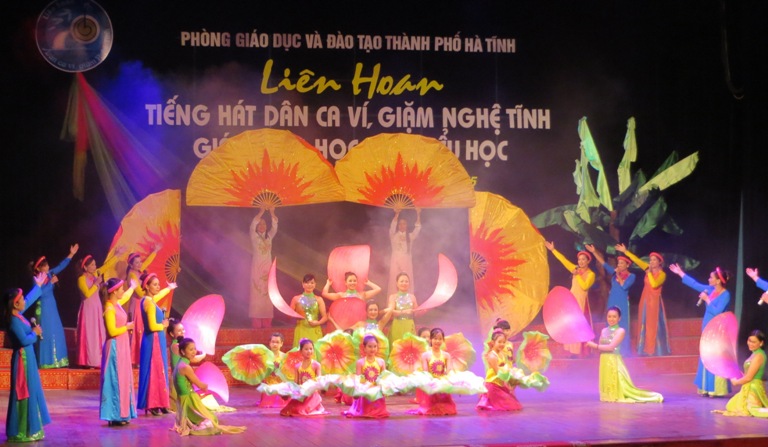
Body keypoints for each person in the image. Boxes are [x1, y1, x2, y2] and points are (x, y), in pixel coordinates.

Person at [668, 263, 732, 397]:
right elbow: (695, 284)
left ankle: (716, 389)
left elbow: (718, 311)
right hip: (707, 325)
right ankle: (706, 388)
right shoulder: (710, 289)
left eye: (711, 277)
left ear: (718, 281)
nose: (709, 279)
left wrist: (707, 299)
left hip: (717, 328)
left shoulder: (726, 294)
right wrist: (680, 273)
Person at [3, 275, 48, 442]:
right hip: (23, 360)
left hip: (29, 357)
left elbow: (29, 300)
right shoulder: (13, 321)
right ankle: (22, 431)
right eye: (21, 299)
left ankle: (32, 428)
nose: (24, 301)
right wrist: (34, 333)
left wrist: (38, 286)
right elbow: (23, 340)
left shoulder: (18, 315)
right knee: (24, 392)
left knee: (32, 389)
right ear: (15, 304)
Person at [586, 307, 663, 403]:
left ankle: (652, 396)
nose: (611, 319)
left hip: (613, 361)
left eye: (614, 317)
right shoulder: (603, 330)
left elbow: (611, 347)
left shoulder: (620, 331)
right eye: (609, 316)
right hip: (604, 360)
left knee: (621, 385)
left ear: (619, 318)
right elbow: (602, 347)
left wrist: (594, 346)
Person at [172, 338, 246, 435]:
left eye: (195, 349)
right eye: (191, 349)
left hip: (182, 399)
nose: (194, 352)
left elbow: (195, 361)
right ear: (182, 351)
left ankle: (193, 421)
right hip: (188, 400)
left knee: (210, 417)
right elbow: (200, 385)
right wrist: (207, 385)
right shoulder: (186, 367)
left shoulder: (180, 363)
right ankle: (196, 425)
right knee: (212, 420)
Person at [615, 244, 670, 356]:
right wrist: (625, 251)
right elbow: (636, 260)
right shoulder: (647, 268)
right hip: (645, 299)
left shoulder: (662, 274)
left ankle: (655, 350)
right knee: (644, 322)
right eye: (650, 260)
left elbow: (654, 284)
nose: (651, 262)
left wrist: (649, 273)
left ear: (659, 262)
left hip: (654, 302)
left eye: (654, 260)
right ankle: (644, 349)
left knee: (653, 325)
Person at [31, 243, 78, 369]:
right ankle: (46, 361)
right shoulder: (36, 280)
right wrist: (50, 283)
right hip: (43, 308)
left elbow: (61, 266)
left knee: (56, 330)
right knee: (46, 332)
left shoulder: (49, 274)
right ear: (38, 268)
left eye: (47, 265)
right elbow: (39, 294)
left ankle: (58, 360)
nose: (47, 267)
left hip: (52, 307)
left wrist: (71, 254)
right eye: (44, 266)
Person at [544, 241, 595, 356]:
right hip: (571, 300)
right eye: (579, 259)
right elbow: (563, 260)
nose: (581, 261)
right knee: (571, 325)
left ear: (588, 261)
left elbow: (585, 286)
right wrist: (553, 250)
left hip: (581, 301)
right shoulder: (575, 269)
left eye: (583, 259)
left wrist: (577, 275)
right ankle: (573, 351)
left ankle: (581, 350)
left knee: (579, 325)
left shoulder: (591, 274)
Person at [137, 272, 177, 415]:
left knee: (161, 370)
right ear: (147, 287)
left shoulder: (149, 300)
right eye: (155, 285)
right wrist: (164, 325)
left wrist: (169, 288)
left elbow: (159, 295)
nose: (158, 287)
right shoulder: (149, 303)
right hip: (152, 340)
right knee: (154, 371)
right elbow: (152, 326)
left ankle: (162, 403)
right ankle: (153, 404)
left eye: (158, 284)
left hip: (156, 339)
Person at [99, 278, 137, 426]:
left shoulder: (117, 304)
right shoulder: (109, 308)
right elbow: (112, 331)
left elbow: (126, 296)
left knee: (123, 378)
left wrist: (133, 287)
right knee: (115, 378)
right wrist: (127, 327)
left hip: (122, 346)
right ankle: (115, 414)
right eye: (121, 289)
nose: (123, 291)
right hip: (115, 347)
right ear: (114, 291)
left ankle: (123, 413)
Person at [586, 244, 636, 354]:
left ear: (627, 265)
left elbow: (624, 286)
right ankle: (609, 348)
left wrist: (618, 275)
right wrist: (594, 252)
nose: (619, 265)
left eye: (622, 263)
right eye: (618, 263)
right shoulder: (614, 274)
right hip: (612, 300)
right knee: (610, 322)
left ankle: (623, 350)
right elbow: (604, 264)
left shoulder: (631, 276)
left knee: (622, 323)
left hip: (622, 302)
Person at [77, 251, 123, 368]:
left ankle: (98, 360)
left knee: (99, 332)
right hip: (88, 309)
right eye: (92, 265)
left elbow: (106, 266)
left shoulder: (95, 274)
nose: (94, 267)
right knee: (90, 334)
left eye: (95, 264)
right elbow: (87, 294)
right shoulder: (81, 279)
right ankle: (89, 361)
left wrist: (117, 255)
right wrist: (96, 284)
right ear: (85, 267)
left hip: (97, 307)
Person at [714, 330, 768, 417]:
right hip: (748, 386)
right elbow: (748, 374)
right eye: (749, 341)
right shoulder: (755, 353)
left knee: (751, 409)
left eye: (754, 342)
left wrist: (736, 382)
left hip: (753, 388)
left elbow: (749, 378)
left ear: (761, 343)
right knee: (731, 405)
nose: (750, 344)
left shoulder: (759, 356)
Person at [408, 328, 457, 415]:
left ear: (443, 340)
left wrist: (444, 378)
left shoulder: (446, 355)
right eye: (435, 338)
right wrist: (433, 382)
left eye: (440, 339)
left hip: (442, 383)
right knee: (430, 409)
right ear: (431, 339)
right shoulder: (425, 355)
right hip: (431, 384)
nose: (437, 341)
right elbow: (426, 372)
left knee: (447, 409)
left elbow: (449, 370)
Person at [342, 335, 390, 418]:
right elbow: (358, 378)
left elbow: (384, 377)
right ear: (364, 348)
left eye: (375, 346)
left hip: (376, 390)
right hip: (365, 390)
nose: (372, 349)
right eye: (370, 346)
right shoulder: (360, 362)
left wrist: (384, 389)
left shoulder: (381, 362)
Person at [476, 329, 523, 411]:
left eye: (504, 342)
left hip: (499, 384)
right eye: (499, 342)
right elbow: (499, 373)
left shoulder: (501, 353)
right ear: (493, 342)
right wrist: (509, 382)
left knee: (514, 404)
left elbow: (505, 369)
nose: (502, 344)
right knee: (511, 406)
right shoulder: (492, 356)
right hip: (493, 385)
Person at [125, 249, 157, 366]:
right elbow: (139, 292)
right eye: (137, 262)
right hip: (137, 304)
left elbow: (147, 262)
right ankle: (135, 358)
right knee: (137, 330)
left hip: (142, 303)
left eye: (140, 262)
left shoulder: (138, 272)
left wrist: (155, 251)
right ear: (131, 265)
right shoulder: (132, 275)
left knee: (143, 329)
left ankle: (142, 357)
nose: (140, 264)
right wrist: (150, 293)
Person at [280, 338, 328, 416]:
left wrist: (322, 386)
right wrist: (289, 391)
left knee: (301, 410)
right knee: (290, 410)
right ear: (301, 351)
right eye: (306, 349)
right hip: (302, 394)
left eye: (311, 349)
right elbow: (296, 383)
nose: (309, 351)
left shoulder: (316, 365)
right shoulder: (297, 366)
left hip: (312, 394)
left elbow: (319, 379)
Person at [167, 319, 205, 412]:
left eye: (183, 330)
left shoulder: (179, 345)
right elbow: (194, 359)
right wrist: (204, 354)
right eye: (179, 331)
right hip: (178, 379)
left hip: (182, 377)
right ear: (172, 334)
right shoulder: (176, 346)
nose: (182, 332)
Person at [250, 207, 277, 329]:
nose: (262, 226)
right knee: (257, 293)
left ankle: (267, 322)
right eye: (260, 224)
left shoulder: (269, 237)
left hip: (268, 269)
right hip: (257, 268)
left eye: (264, 224)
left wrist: (271, 212)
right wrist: (261, 212)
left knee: (268, 294)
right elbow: (252, 225)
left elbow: (274, 227)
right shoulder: (254, 236)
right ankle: (256, 323)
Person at [388, 208, 421, 297]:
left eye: (404, 224)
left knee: (406, 280)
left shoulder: (410, 236)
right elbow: (392, 227)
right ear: (398, 225)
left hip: (406, 262)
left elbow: (417, 228)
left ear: (406, 225)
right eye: (400, 224)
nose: (402, 226)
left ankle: (407, 300)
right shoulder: (393, 235)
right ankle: (394, 301)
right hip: (395, 261)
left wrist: (418, 214)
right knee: (395, 280)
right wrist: (397, 214)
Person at [290, 274, 328, 347]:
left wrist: (318, 322)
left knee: (315, 350)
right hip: (301, 329)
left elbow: (325, 317)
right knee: (300, 351)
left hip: (315, 330)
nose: (309, 285)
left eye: (312, 283)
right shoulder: (296, 299)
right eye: (307, 283)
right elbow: (289, 315)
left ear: (315, 284)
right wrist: (297, 316)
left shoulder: (319, 299)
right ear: (303, 284)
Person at [387, 272, 419, 343]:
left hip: (409, 325)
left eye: (406, 281)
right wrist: (404, 312)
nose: (404, 283)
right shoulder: (393, 297)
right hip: (397, 325)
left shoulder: (412, 297)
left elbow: (416, 313)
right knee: (397, 346)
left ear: (409, 283)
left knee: (409, 345)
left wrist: (423, 310)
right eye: (401, 281)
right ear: (397, 283)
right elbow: (391, 311)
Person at [259, 333, 288, 408]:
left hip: (280, 386)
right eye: (273, 342)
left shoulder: (285, 357)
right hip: (268, 385)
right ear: (269, 343)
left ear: (281, 344)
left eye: (277, 342)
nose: (275, 344)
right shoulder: (264, 356)